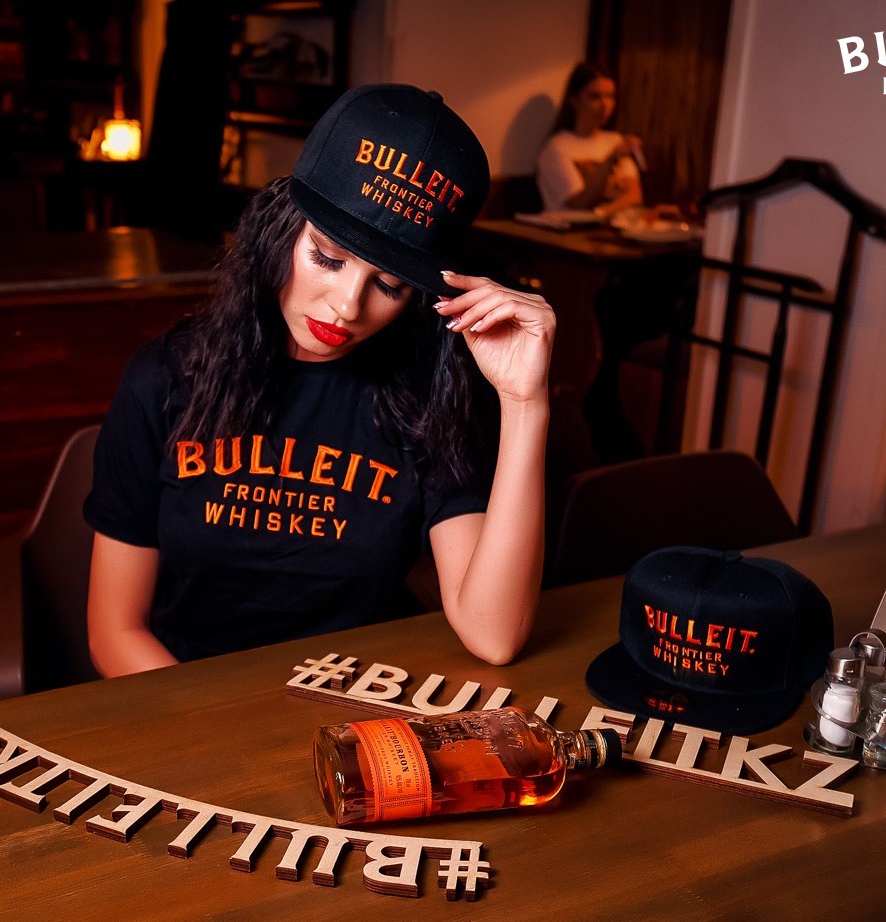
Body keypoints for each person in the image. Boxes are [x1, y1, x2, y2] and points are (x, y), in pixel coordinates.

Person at [83, 84, 557, 677]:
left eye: (390, 285)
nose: (348, 306)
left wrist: (524, 401)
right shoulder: (165, 378)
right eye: (328, 258)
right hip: (184, 700)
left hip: (356, 703)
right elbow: (114, 631)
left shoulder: (428, 400)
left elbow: (495, 636)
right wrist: (217, 728)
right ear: (279, 229)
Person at [536, 62, 643, 217]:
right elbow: (580, 204)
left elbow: (634, 196)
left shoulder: (614, 140)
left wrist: (602, 212)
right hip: (568, 228)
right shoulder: (557, 148)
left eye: (610, 96)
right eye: (595, 97)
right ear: (574, 100)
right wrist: (610, 160)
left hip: (612, 226)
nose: (605, 104)